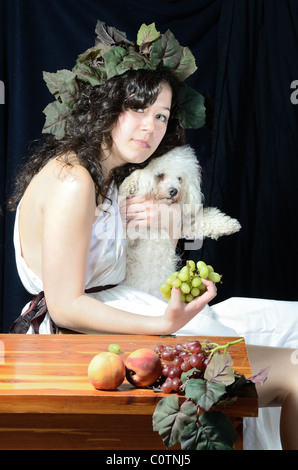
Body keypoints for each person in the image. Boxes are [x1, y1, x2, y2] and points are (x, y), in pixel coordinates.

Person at [7, 21, 298, 449]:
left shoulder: (107, 176)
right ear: (106, 106)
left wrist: (164, 219)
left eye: (161, 115)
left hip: (119, 311)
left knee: (290, 323)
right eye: (137, 109)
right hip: (80, 338)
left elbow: (140, 229)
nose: (150, 127)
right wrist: (161, 323)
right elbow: (67, 307)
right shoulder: (74, 181)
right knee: (290, 374)